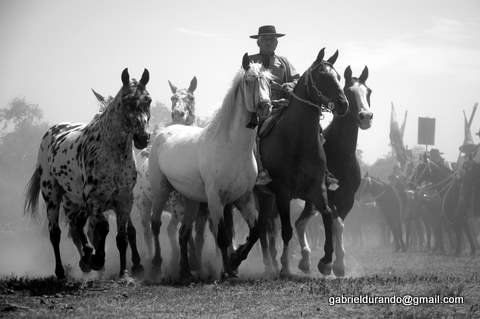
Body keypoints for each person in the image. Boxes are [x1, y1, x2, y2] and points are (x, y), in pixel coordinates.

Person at [249, 25, 300, 185]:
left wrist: (291, 86)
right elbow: (244, 85)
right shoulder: (250, 61)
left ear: (277, 42)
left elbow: (297, 79)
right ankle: (260, 170)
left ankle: (320, 171)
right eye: (265, 39)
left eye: (272, 39)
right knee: (254, 133)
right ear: (259, 42)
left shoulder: (284, 62)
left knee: (310, 127)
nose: (270, 42)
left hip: (282, 106)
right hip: (258, 107)